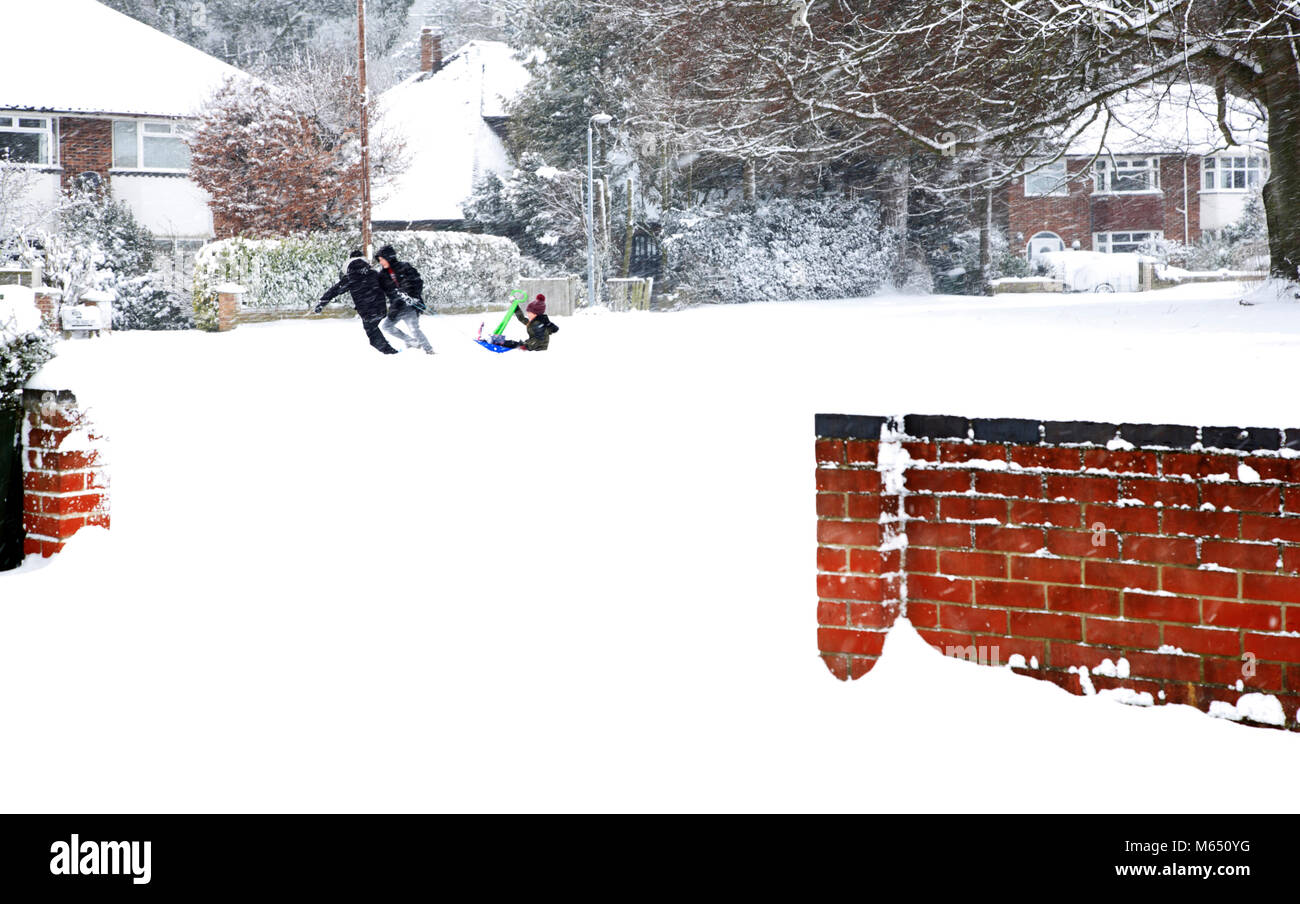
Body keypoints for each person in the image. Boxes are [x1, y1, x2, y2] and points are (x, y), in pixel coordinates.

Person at [315, 250, 400, 354]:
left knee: (372, 334)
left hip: (367, 311)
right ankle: (390, 351)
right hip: (380, 308)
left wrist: (321, 303)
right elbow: (389, 286)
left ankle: (391, 353)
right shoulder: (373, 273)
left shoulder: (350, 278)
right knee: (373, 329)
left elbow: (334, 291)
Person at [375, 244, 434, 355]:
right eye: (379, 260)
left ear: (389, 258)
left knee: (414, 329)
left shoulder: (404, 267)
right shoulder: (382, 275)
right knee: (386, 326)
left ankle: (429, 350)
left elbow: (416, 282)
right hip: (396, 307)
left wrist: (410, 294)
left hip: (409, 305)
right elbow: (377, 289)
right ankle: (411, 341)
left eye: (382, 259)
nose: (381, 262)